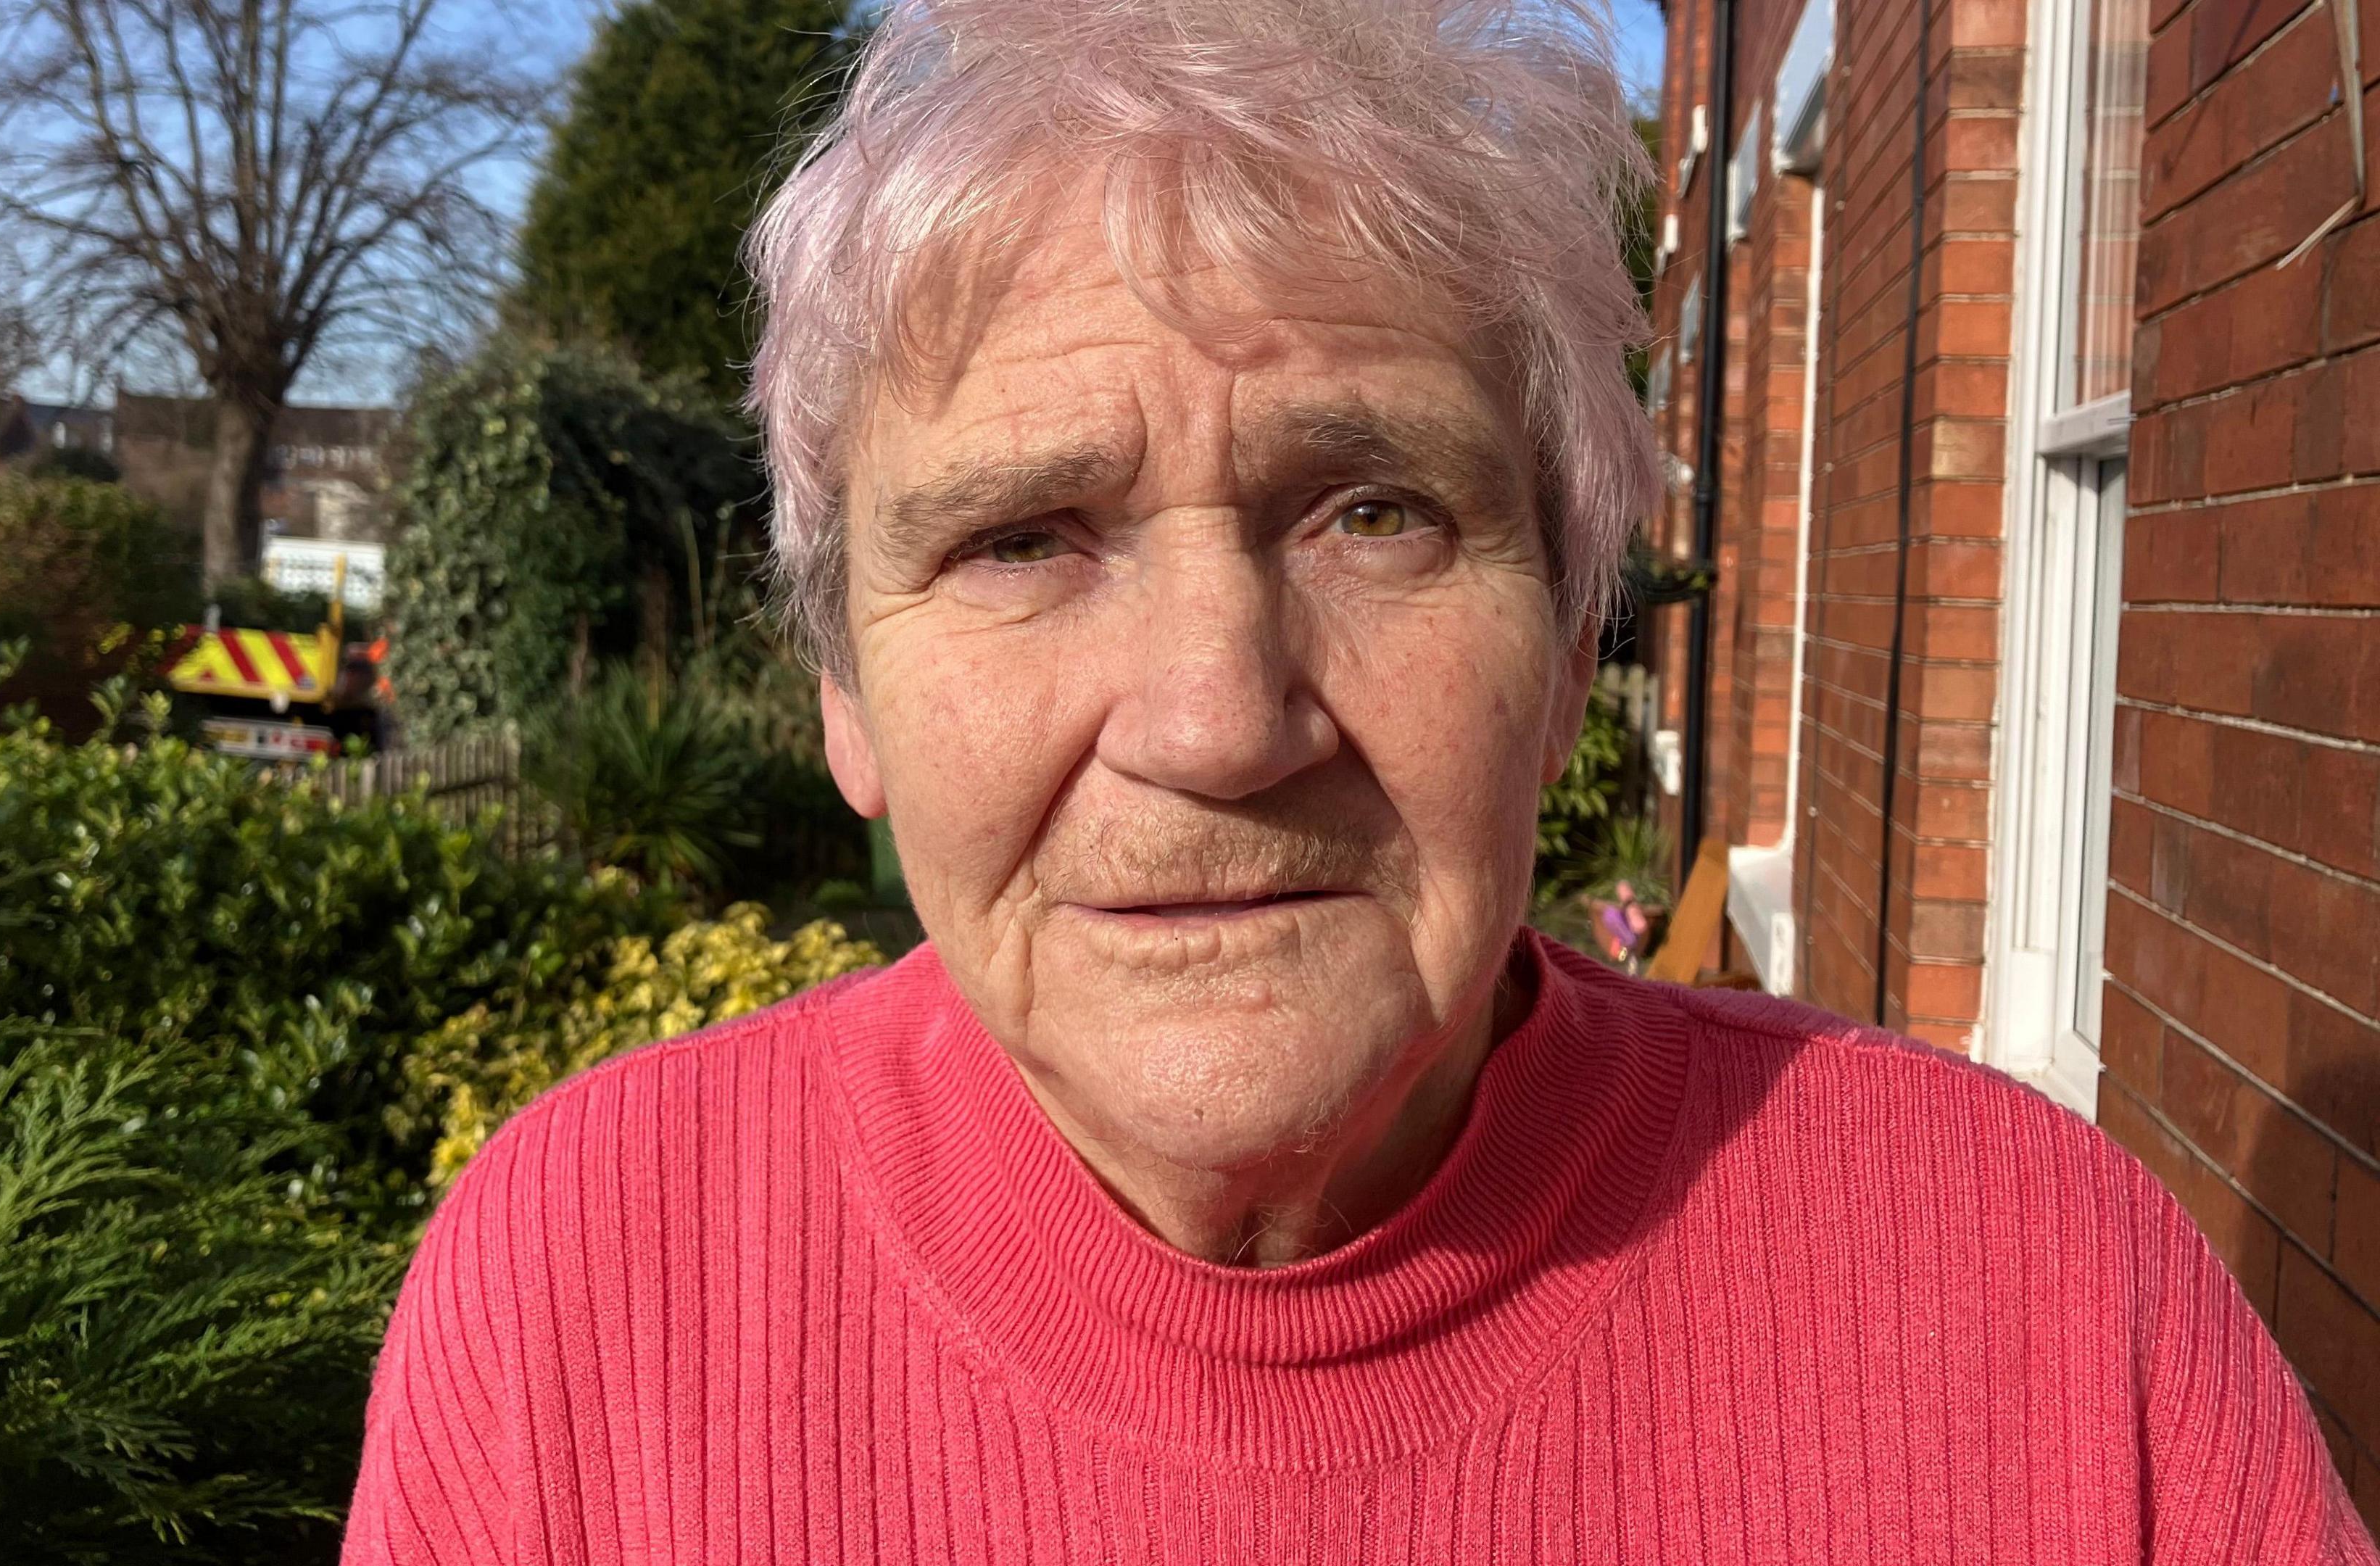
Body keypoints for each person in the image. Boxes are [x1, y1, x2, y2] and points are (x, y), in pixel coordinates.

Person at [344, 1, 2379, 1559]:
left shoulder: (2035, 1304)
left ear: (1575, 642)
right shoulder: (583, 1296)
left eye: (1377, 514)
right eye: (1026, 539)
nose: (1221, 720)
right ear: (844, 688)